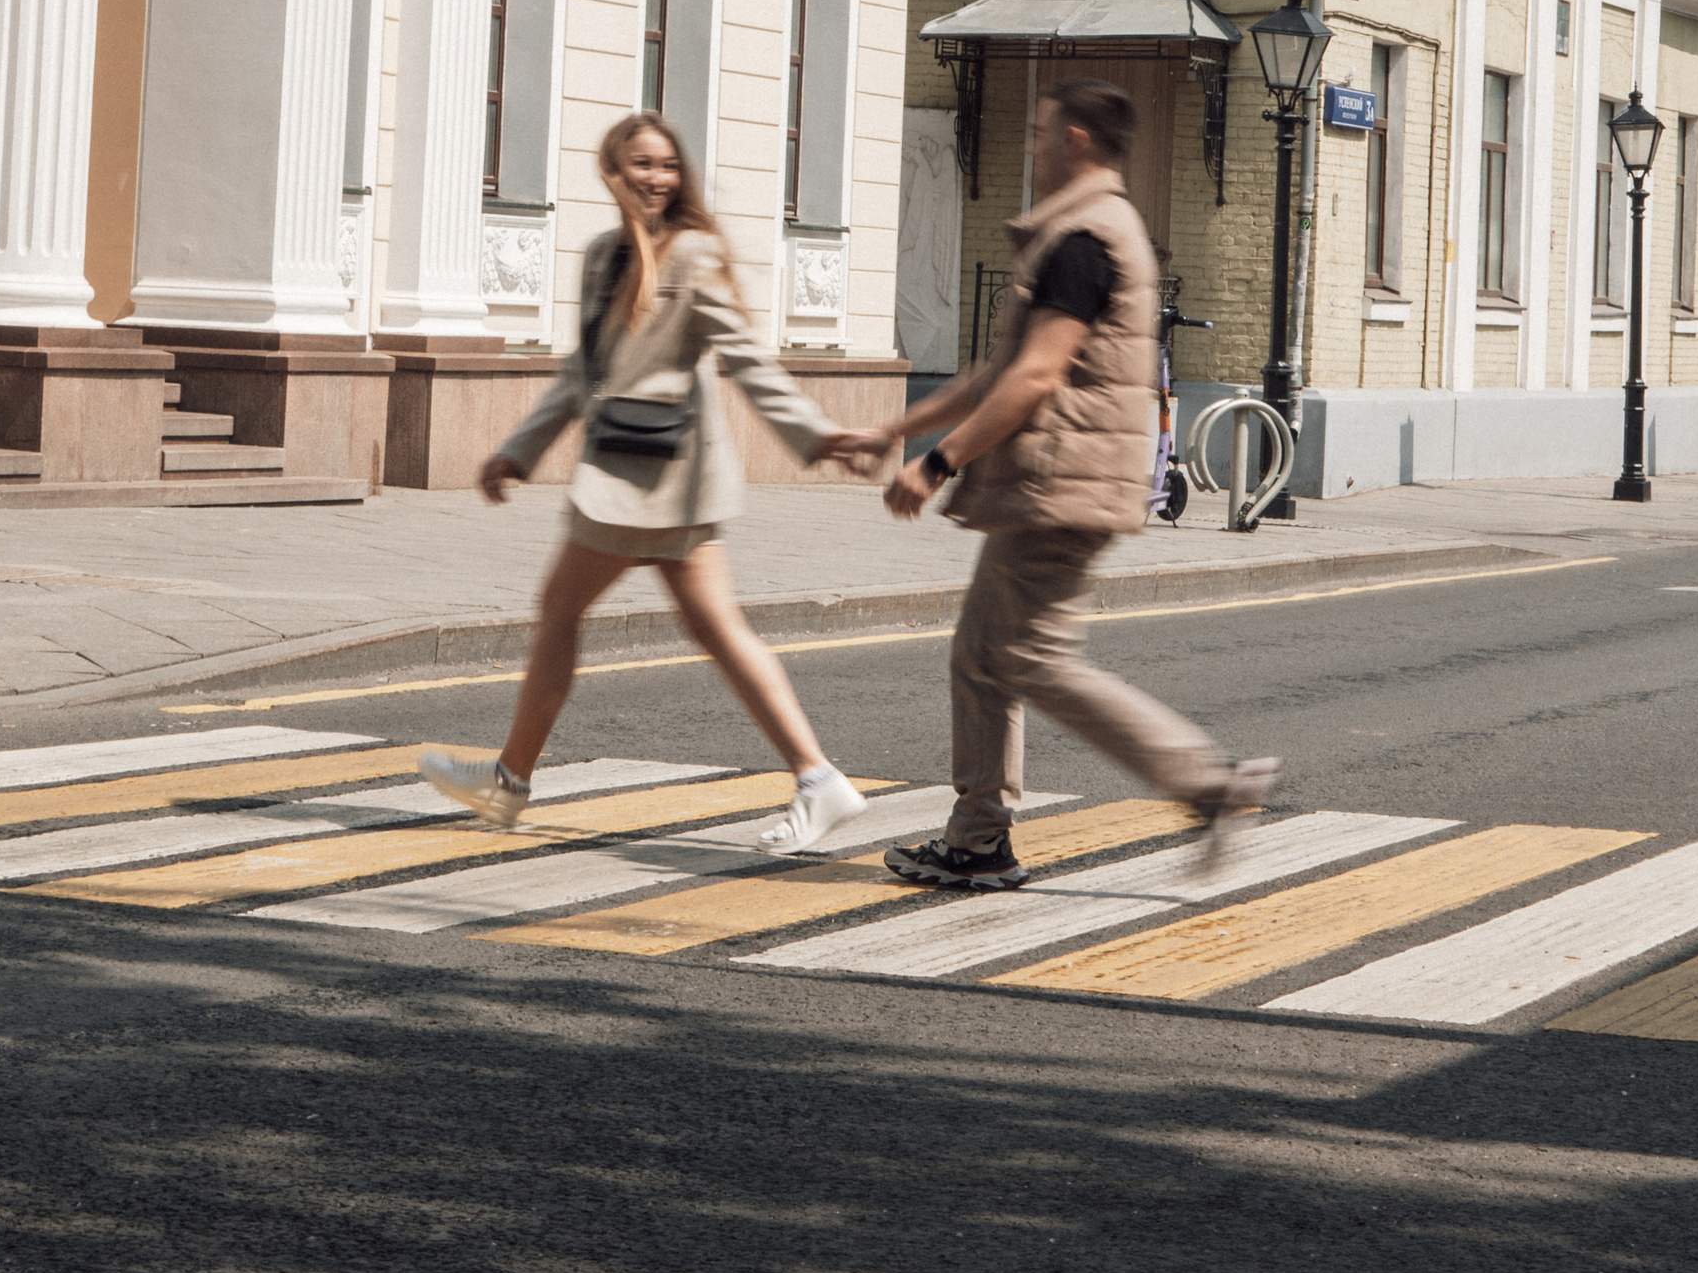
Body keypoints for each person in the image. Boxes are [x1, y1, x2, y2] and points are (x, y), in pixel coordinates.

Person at [853, 78, 1277, 892]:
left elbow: (1036, 375)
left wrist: (939, 463)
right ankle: (978, 839)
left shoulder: (1084, 238)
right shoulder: (1082, 232)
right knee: (984, 656)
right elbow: (999, 371)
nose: (1029, 145)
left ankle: (1209, 784)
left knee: (1032, 656)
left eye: (1041, 132)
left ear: (1078, 141)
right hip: (1054, 480)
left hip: (1061, 483)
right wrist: (894, 430)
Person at [423, 112, 870, 852]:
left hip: (661, 476)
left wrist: (813, 436)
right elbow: (581, 374)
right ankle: (818, 779)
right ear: (612, 171)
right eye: (640, 164)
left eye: (666, 165)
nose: (655, 177)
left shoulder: (693, 254)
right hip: (636, 474)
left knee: (564, 611)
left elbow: (746, 358)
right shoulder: (603, 256)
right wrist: (519, 451)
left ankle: (508, 786)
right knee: (711, 628)